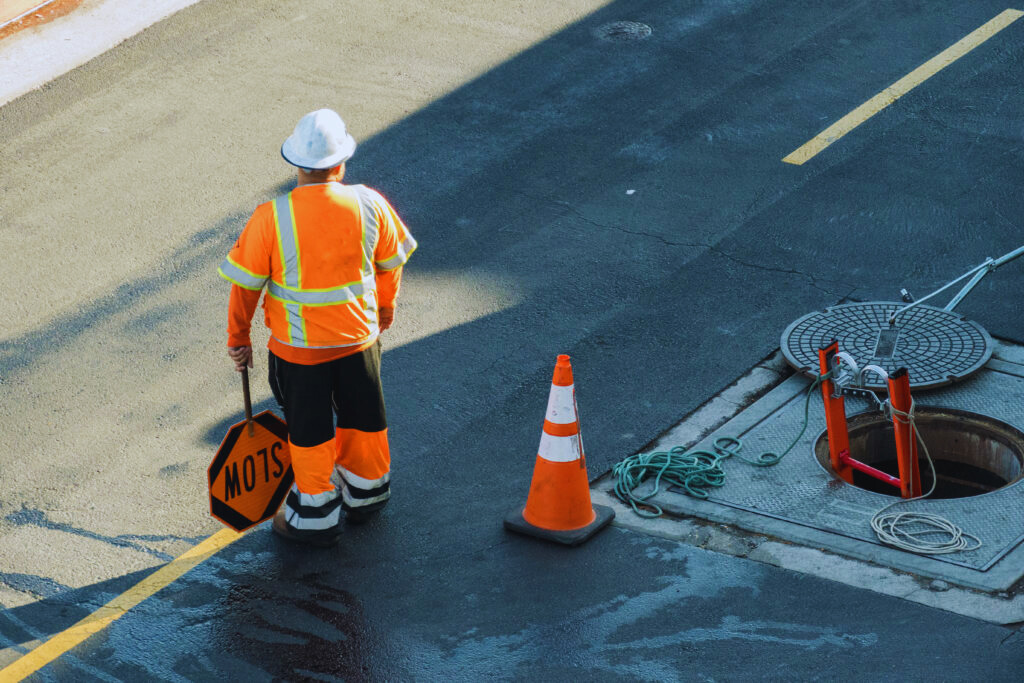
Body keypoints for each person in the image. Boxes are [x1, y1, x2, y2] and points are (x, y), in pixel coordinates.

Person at [218, 109, 416, 546]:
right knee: (364, 418)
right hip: (359, 341)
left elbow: (245, 289)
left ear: (297, 166)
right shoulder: (370, 203)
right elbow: (391, 265)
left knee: (309, 430)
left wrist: (239, 340)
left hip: (299, 354)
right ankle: (368, 492)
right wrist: (385, 310)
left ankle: (316, 513)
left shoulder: (271, 217)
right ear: (341, 163)